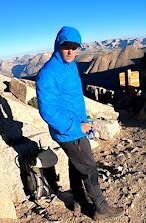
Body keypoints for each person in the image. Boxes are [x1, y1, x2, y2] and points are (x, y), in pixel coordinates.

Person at [36, 26, 124, 220]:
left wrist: (85, 120)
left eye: (75, 47)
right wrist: (77, 126)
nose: (70, 51)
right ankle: (101, 209)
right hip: (69, 132)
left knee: (76, 165)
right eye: (66, 46)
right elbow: (48, 111)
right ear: (58, 45)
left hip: (76, 126)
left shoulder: (70, 65)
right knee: (89, 168)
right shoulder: (48, 73)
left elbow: (72, 99)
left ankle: (78, 200)